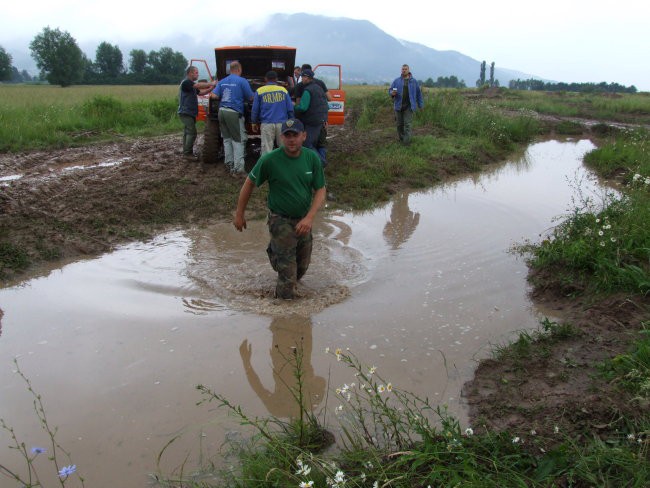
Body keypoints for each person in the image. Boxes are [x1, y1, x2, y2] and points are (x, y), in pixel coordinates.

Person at [234, 118, 326, 299]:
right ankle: (285, 316)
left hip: (303, 221)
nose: (291, 139)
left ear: (304, 136)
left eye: (295, 135)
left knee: (301, 268)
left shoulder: (311, 158)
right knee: (287, 282)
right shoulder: (270, 160)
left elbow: (321, 189)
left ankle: (276, 254)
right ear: (282, 137)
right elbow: (249, 183)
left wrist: (309, 217)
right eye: (287, 135)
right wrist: (239, 214)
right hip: (280, 220)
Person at [210, 61, 254, 176]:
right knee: (238, 140)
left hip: (222, 111)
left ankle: (229, 164)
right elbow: (251, 97)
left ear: (230, 70)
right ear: (239, 69)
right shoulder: (242, 81)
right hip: (233, 112)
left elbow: (213, 95)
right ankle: (239, 169)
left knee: (227, 139)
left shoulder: (223, 81)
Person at [251, 70, 294, 156]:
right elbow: (290, 109)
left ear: (265, 79)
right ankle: (284, 167)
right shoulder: (283, 90)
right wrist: (291, 121)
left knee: (267, 150)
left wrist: (254, 122)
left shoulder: (260, 91)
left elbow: (255, 110)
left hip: (267, 124)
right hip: (282, 124)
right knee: (283, 149)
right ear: (276, 79)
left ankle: (267, 168)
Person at [177, 66, 215, 159]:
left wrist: (211, 88)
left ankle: (186, 151)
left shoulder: (191, 85)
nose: (198, 74)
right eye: (196, 72)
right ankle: (187, 153)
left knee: (187, 132)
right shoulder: (186, 82)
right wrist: (211, 83)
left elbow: (201, 93)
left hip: (189, 112)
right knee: (192, 132)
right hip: (186, 112)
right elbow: (197, 86)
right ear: (190, 73)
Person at [293, 68, 329, 166]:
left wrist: (294, 106)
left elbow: (303, 107)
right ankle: (319, 162)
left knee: (307, 144)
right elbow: (327, 105)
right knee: (320, 144)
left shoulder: (308, 90)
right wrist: (325, 119)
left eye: (303, 77)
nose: (302, 79)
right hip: (321, 120)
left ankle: (321, 163)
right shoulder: (319, 88)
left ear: (308, 78)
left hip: (312, 122)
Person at [389, 64, 424, 144]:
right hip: (398, 106)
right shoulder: (396, 81)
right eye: (402, 69)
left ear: (408, 70)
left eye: (405, 69)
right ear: (401, 70)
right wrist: (392, 93)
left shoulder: (414, 81)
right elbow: (390, 90)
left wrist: (420, 105)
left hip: (409, 106)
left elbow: (418, 94)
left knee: (407, 124)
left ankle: (406, 142)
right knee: (399, 125)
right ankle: (401, 139)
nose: (404, 70)